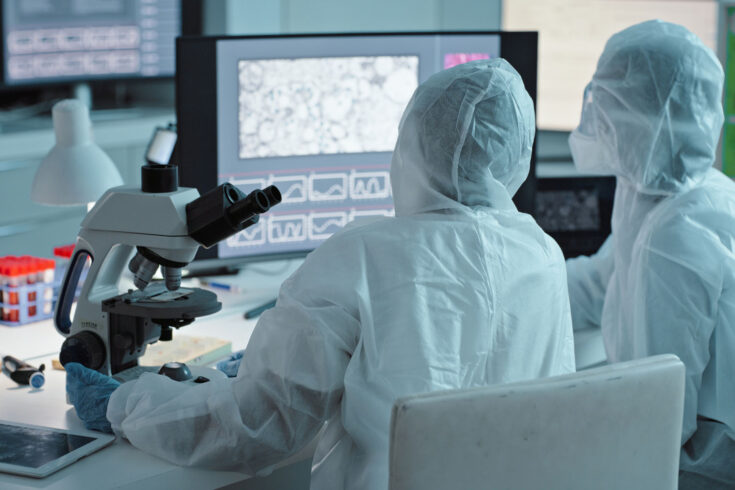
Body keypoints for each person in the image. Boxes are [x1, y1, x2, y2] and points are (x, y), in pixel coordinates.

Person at [66, 58, 575, 490]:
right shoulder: (542, 254)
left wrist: (126, 404)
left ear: (413, 147)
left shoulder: (365, 253)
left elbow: (256, 427)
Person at [566, 20, 735, 489]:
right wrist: (512, 280)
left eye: (606, 101)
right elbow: (600, 281)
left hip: (701, 470)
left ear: (634, 117)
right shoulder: (664, 195)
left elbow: (660, 419)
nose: (595, 114)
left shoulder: (676, 237)